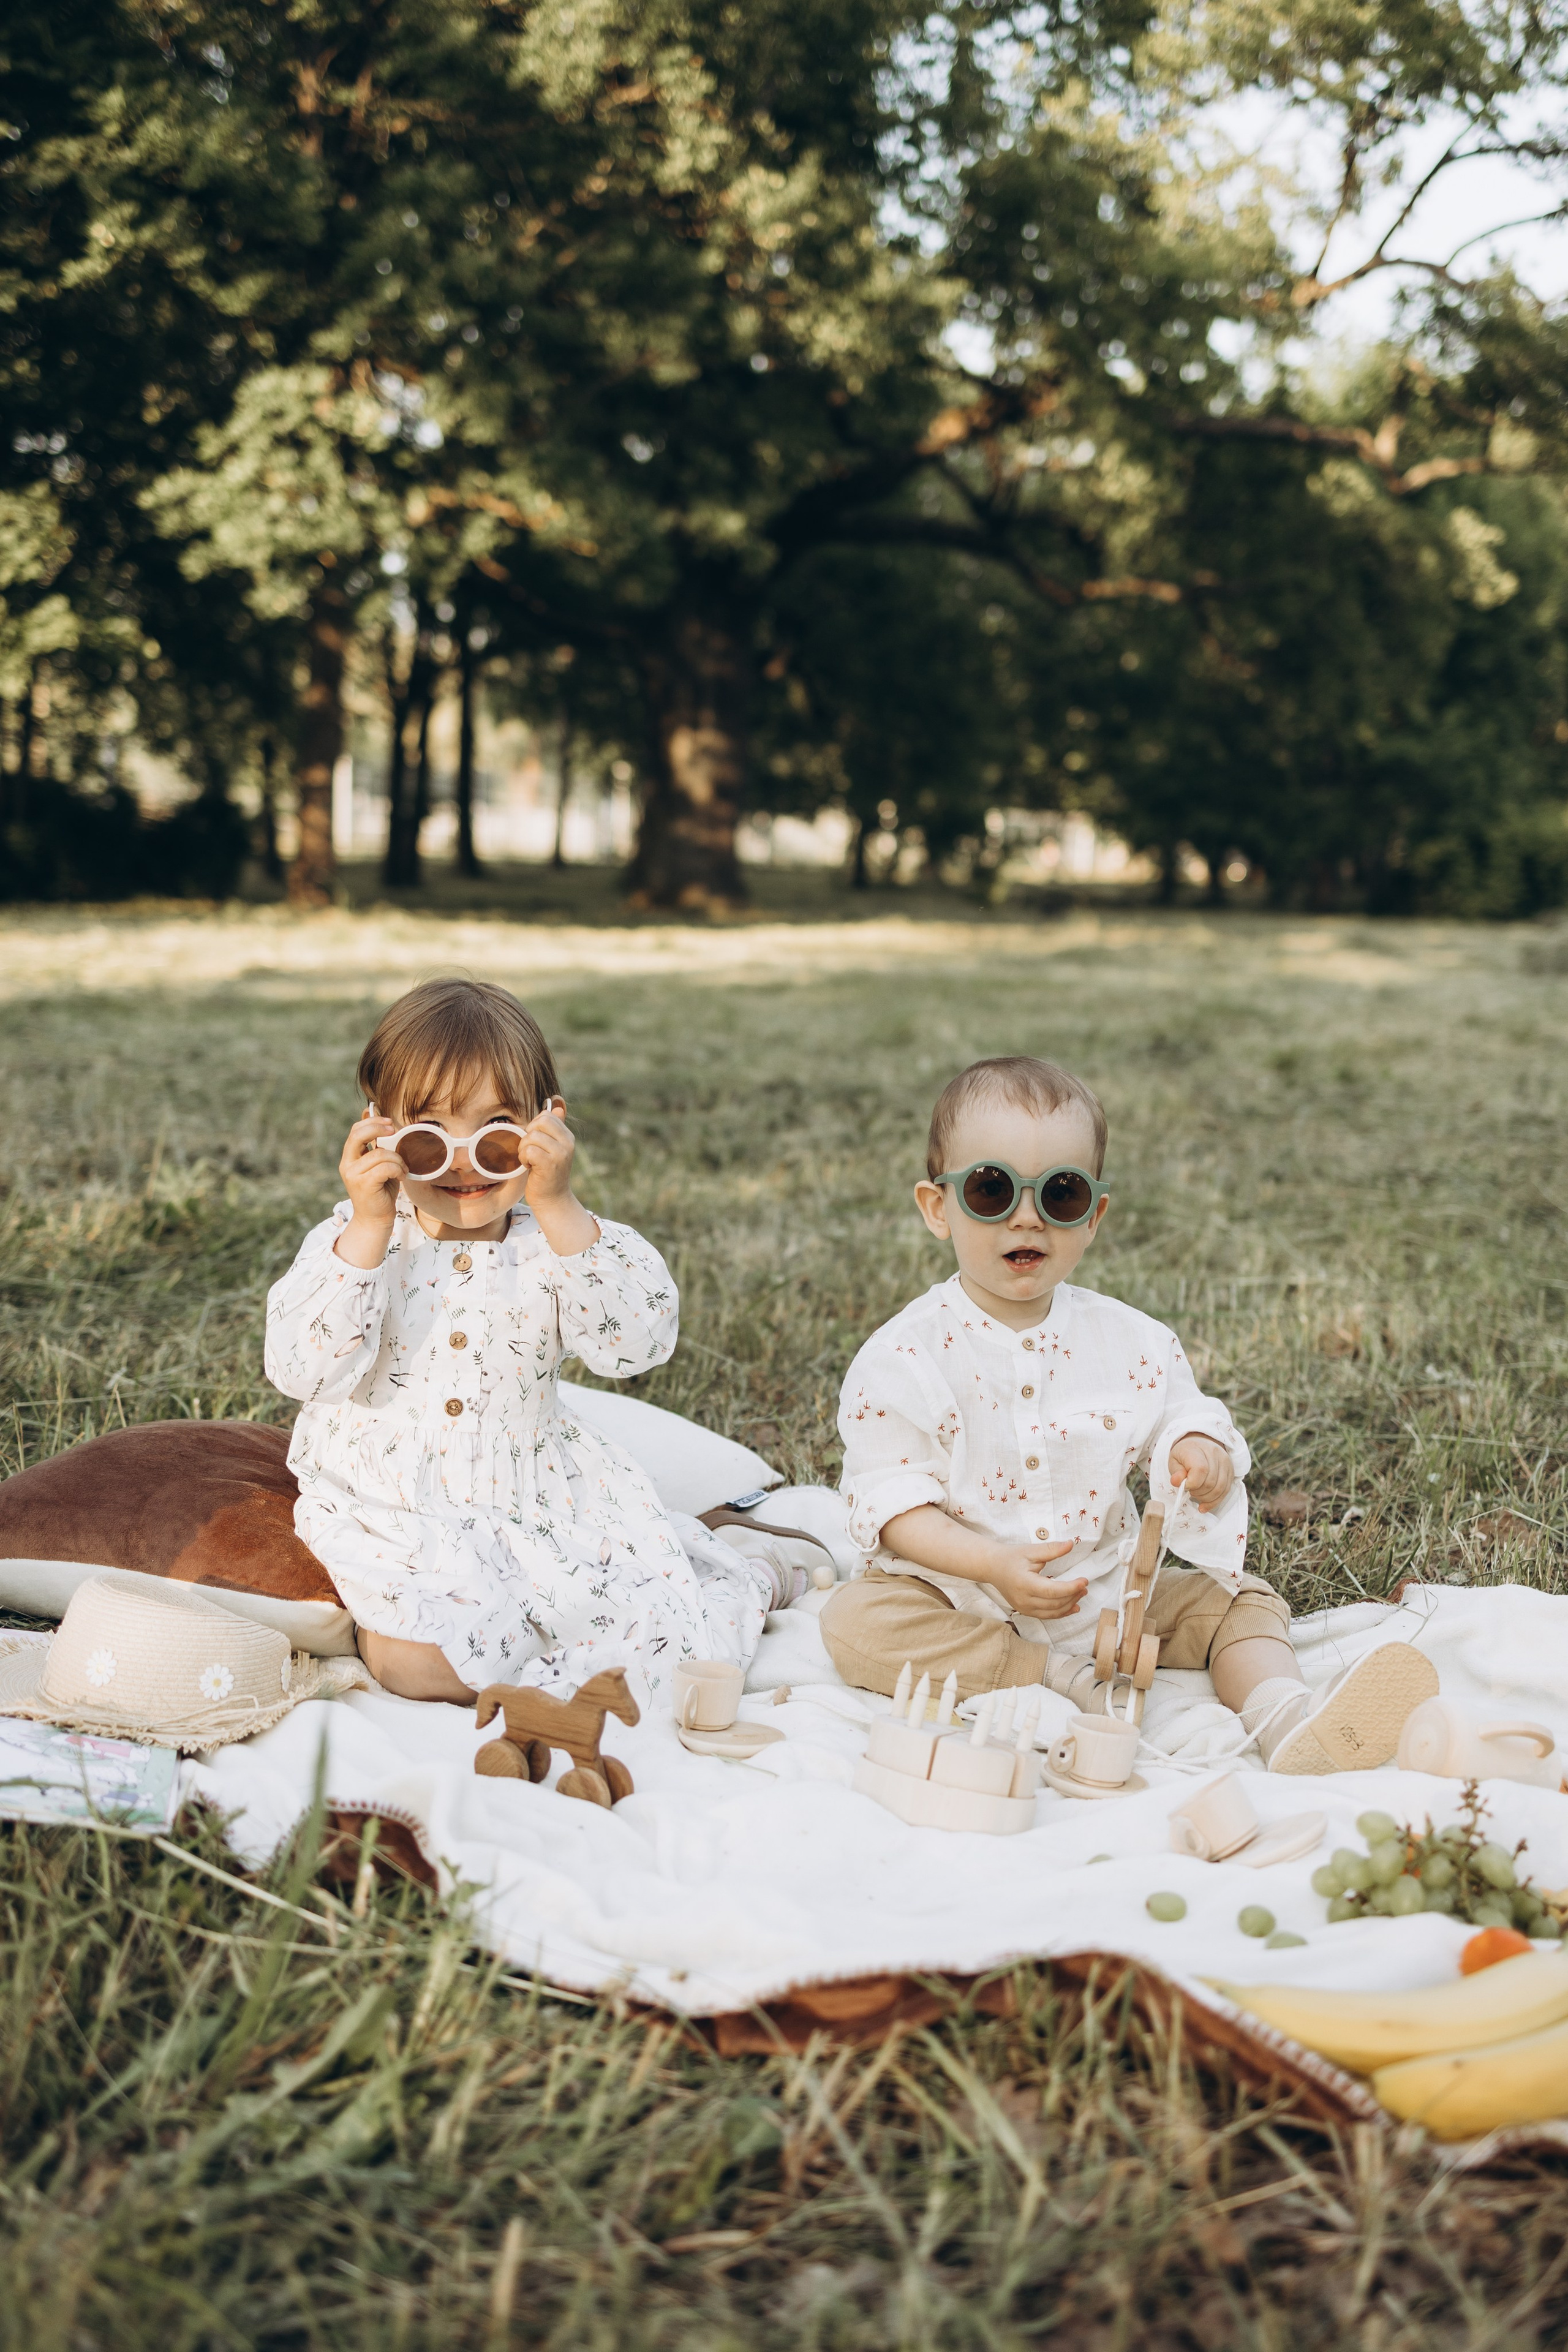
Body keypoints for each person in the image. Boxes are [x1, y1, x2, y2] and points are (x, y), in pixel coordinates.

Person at [821, 1056, 1436, 1773]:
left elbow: (1182, 1409)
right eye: (991, 1190)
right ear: (938, 1208)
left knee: (1244, 1601)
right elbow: (894, 1504)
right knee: (856, 1623)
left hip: (1110, 1594)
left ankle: (1285, 1718)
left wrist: (1197, 1449)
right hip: (960, 1598)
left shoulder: (1130, 1341)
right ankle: (1049, 1677)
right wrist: (991, 1562)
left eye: (1062, 1193)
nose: (1028, 1215)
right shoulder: (903, 1356)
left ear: (1093, 1218)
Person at [265, 977, 799, 1705]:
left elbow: (636, 1347)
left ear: (549, 1127)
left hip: (536, 1500)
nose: (462, 1163)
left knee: (663, 1639)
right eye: (428, 1137)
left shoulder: (559, 1241)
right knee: (416, 1665)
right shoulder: (355, 1241)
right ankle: (542, 1686)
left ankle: (749, 1572)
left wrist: (559, 1205)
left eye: (497, 1134)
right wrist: (365, 1229)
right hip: (395, 1509)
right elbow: (299, 1368)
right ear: (377, 1131)